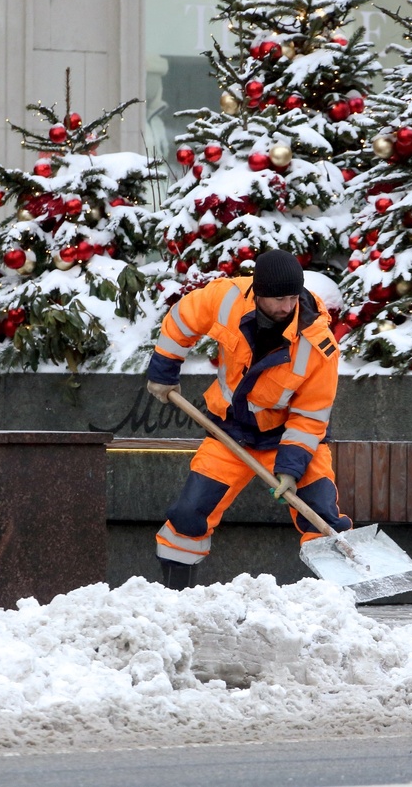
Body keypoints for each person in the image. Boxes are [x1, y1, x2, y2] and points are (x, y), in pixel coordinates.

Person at [145, 249, 352, 589]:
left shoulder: (318, 345)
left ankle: (338, 600)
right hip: (230, 433)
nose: (287, 307)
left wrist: (290, 469)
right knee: (188, 514)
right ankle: (175, 599)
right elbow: (183, 318)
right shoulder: (226, 298)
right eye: (278, 299)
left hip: (290, 438)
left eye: (292, 297)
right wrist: (164, 370)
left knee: (322, 515)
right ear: (258, 293)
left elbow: (310, 416)